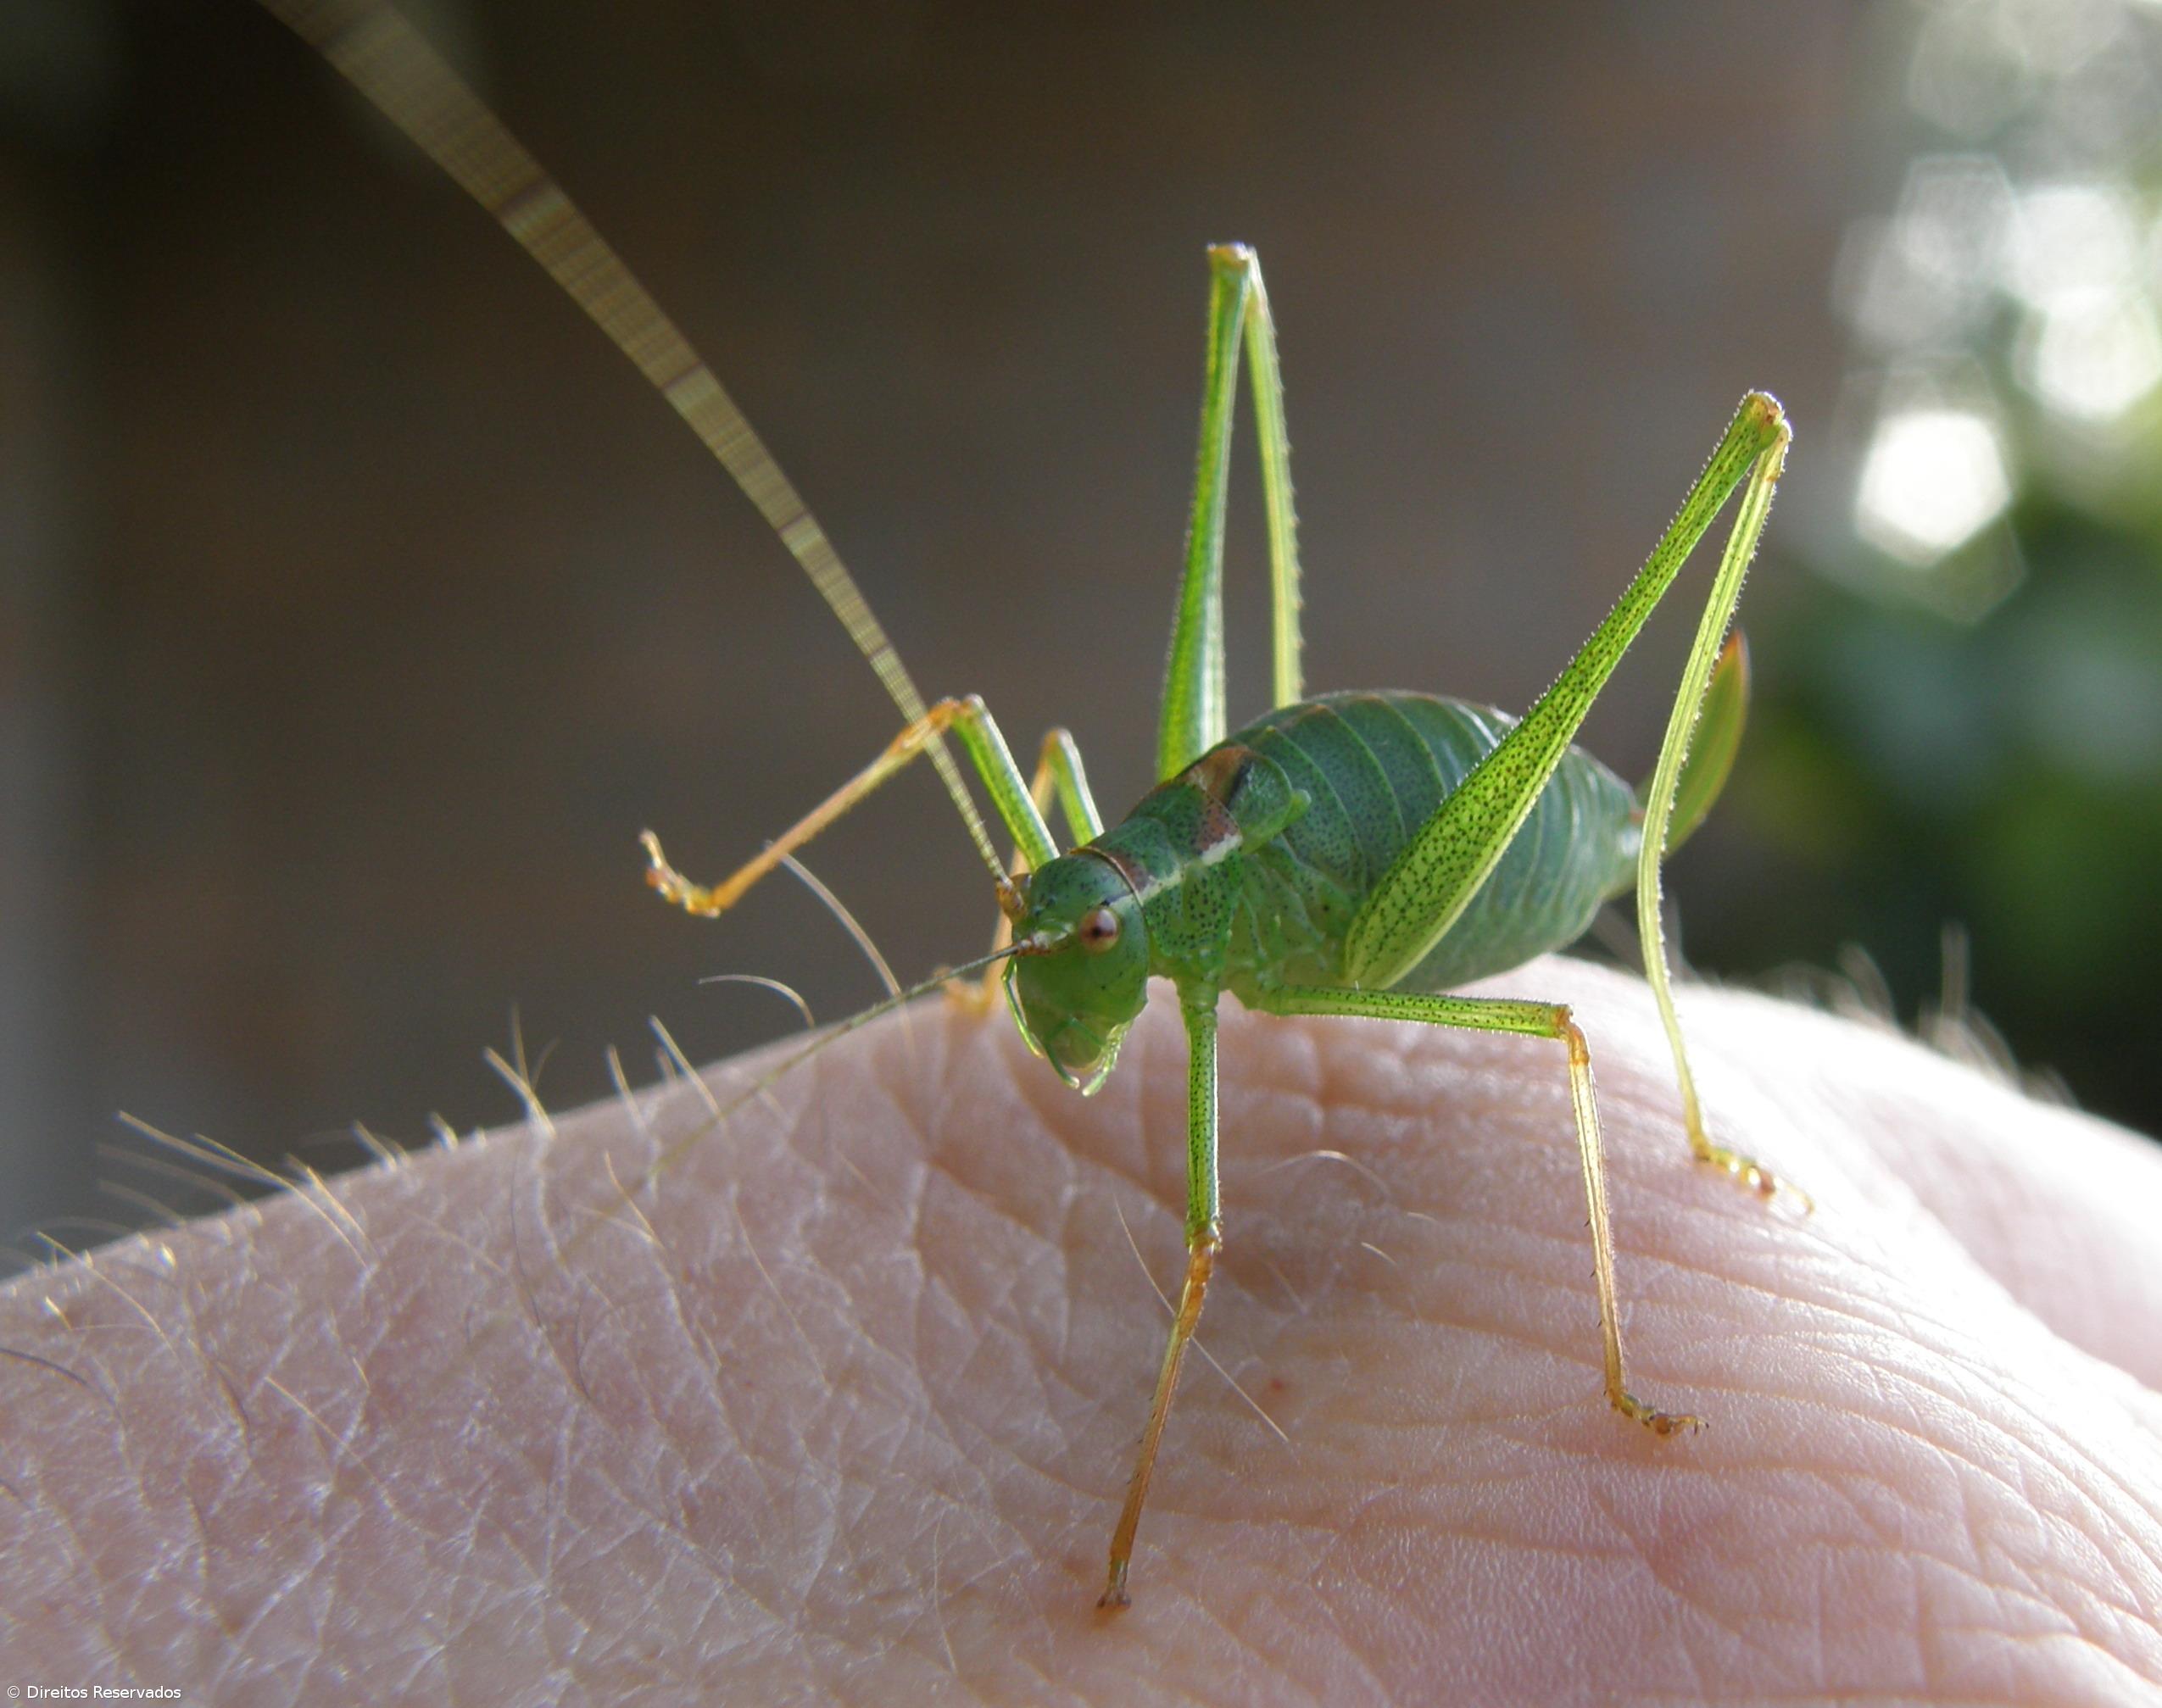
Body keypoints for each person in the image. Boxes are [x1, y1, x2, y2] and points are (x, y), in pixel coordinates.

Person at [3, 957, 2158, 1698]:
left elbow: (1209, 1239)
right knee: (1009, 743)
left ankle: (1656, 1124)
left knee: (1541, 1075)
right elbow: (970, 743)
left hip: (1435, 852)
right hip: (1237, 831)